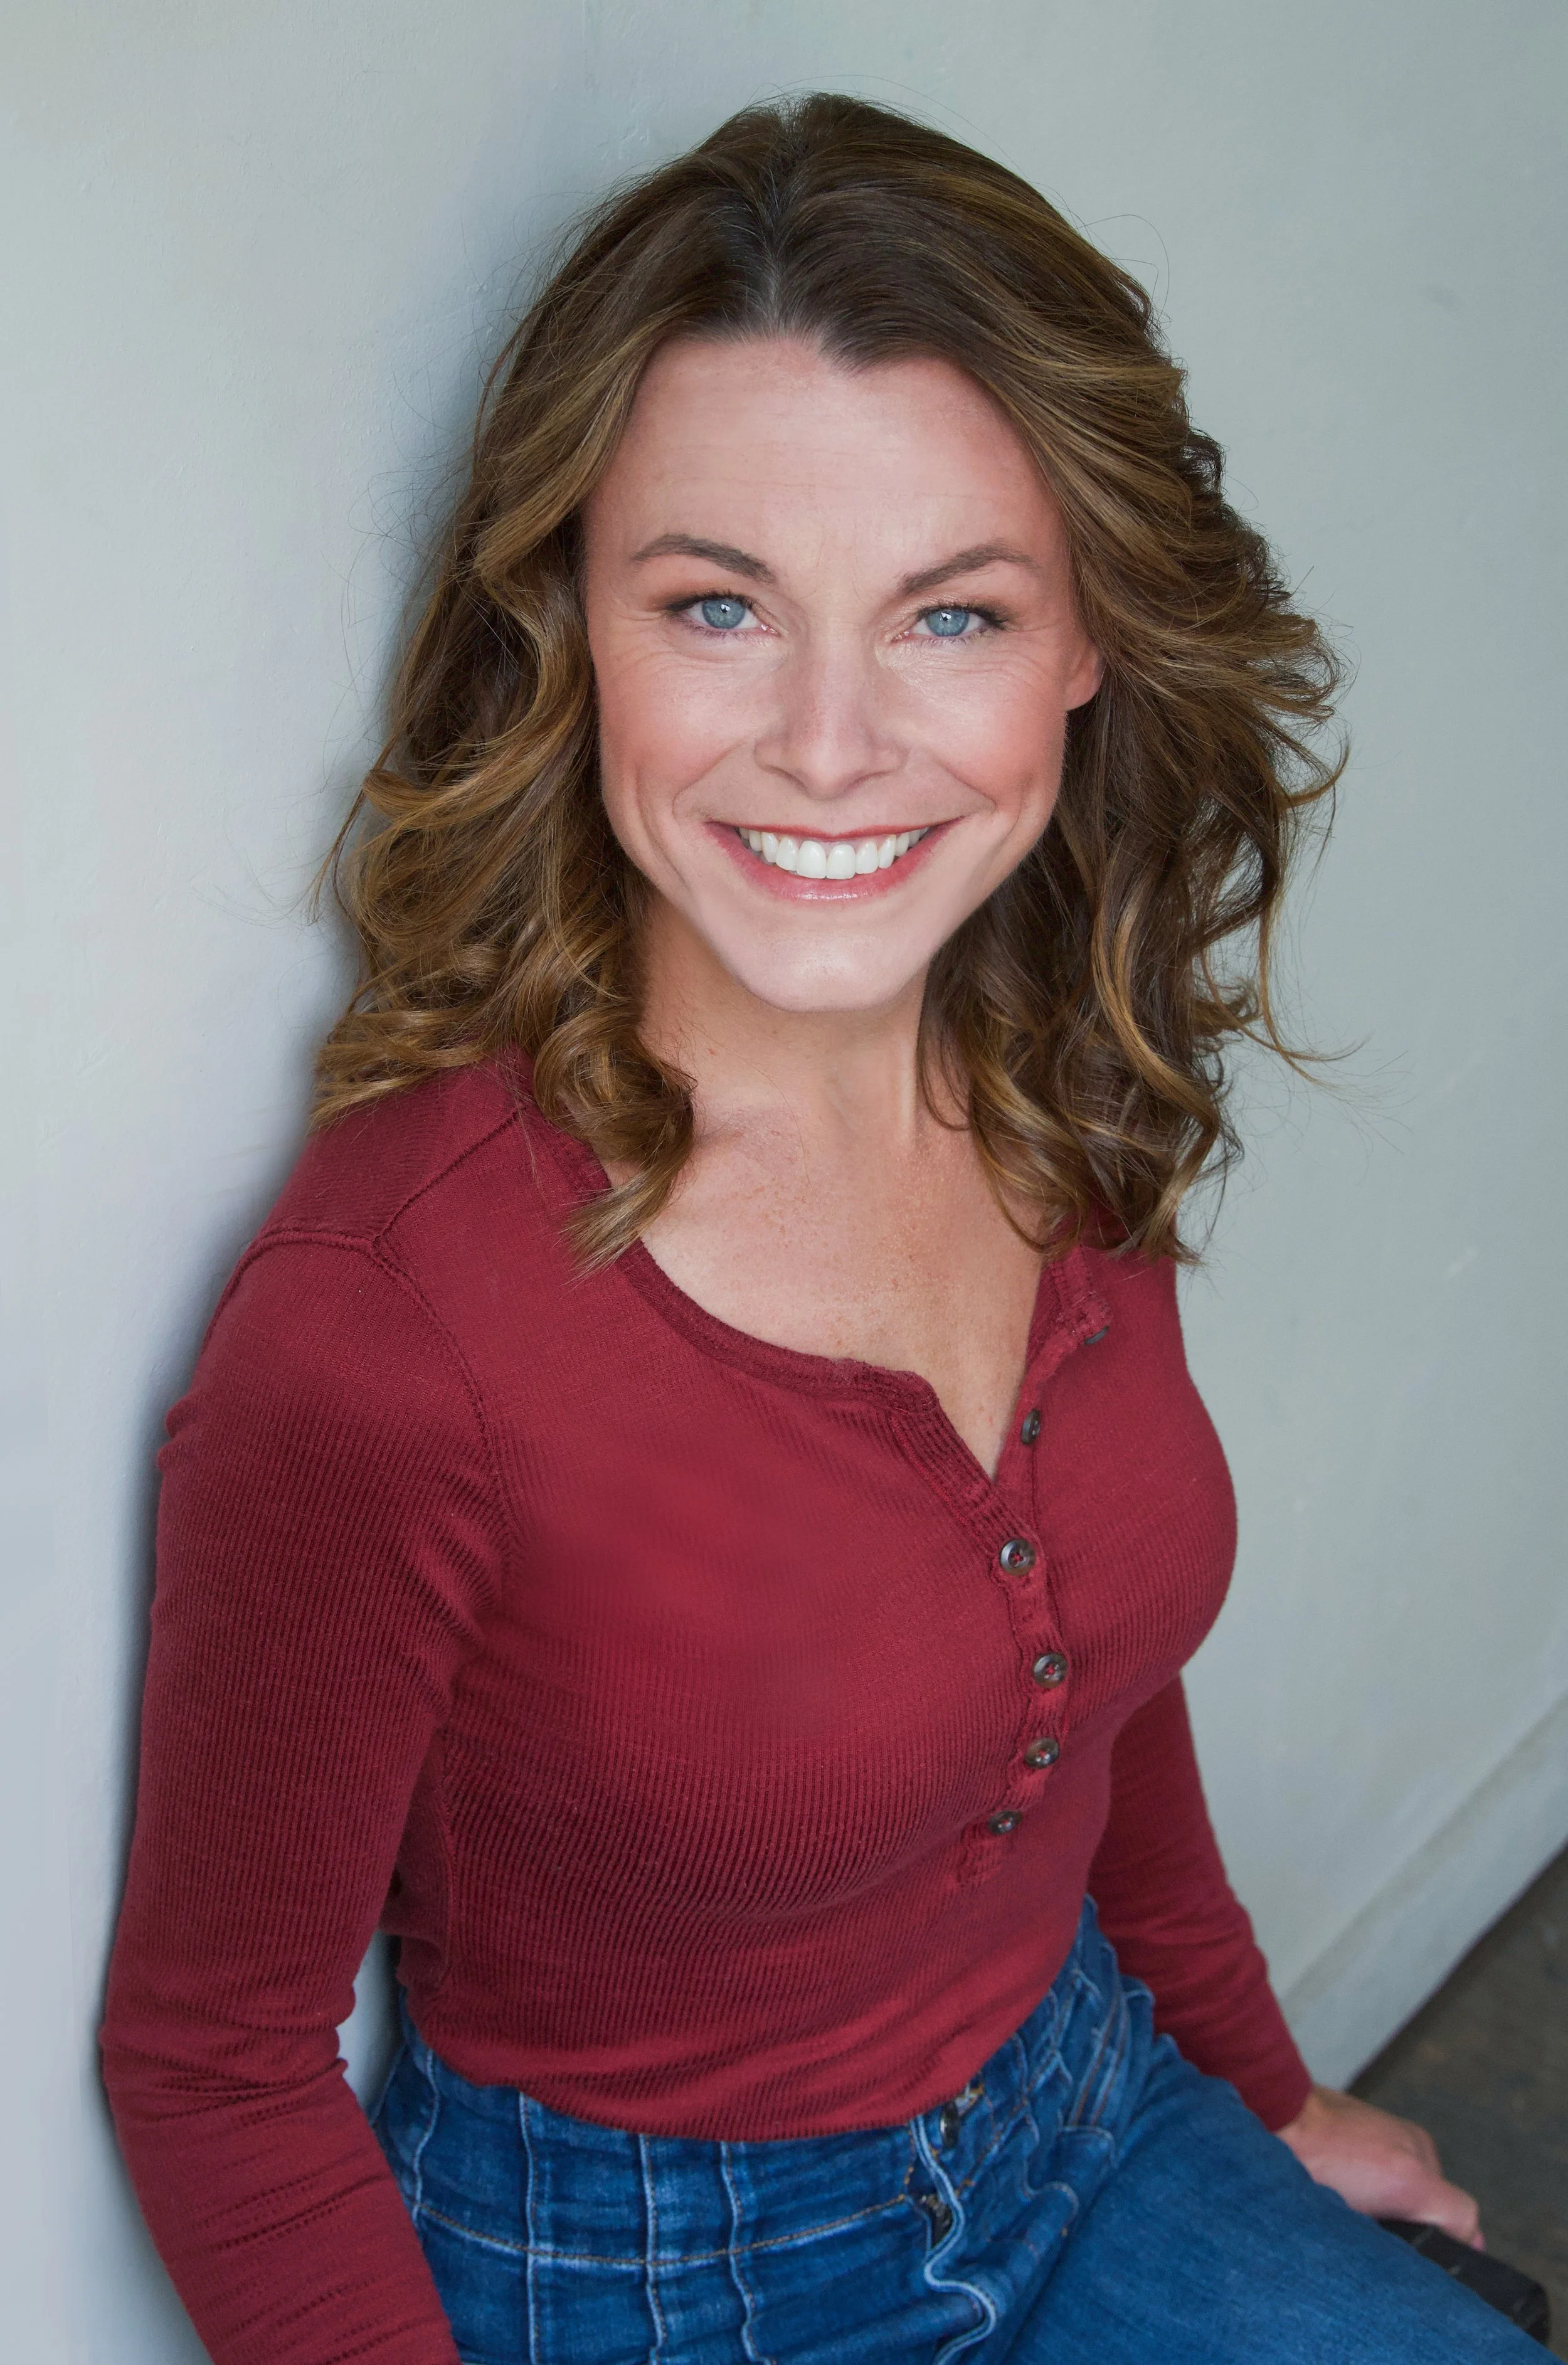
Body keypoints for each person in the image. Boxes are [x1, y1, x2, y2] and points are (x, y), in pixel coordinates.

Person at [100, 93, 1532, 2365]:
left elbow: (1088, 1695)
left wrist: (1263, 2099)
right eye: (715, 606)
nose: (833, 745)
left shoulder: (1066, 1075)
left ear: (1086, 643)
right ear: (571, 623)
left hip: (1095, 2119)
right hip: (664, 2285)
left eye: (950, 611)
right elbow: (215, 2073)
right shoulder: (390, 1339)